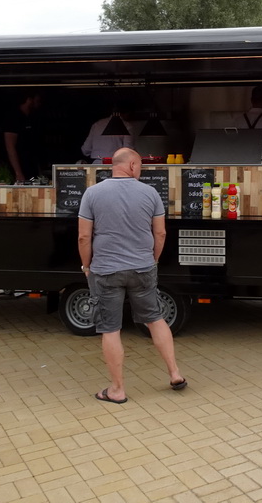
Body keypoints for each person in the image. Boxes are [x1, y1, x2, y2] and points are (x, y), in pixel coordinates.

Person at [77, 147, 185, 402]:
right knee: (155, 319)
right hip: (142, 268)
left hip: (106, 271)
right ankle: (174, 373)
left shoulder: (92, 193)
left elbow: (83, 236)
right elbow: (160, 233)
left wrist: (86, 266)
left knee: (111, 329)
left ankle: (117, 390)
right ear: (133, 165)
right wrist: (153, 259)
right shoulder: (150, 193)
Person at [3, 91, 44, 183]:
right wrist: (18, 173)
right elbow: (10, 147)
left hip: (31, 167)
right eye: (37, 101)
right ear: (29, 100)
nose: (39, 104)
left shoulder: (32, 118)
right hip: (19, 169)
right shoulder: (14, 117)